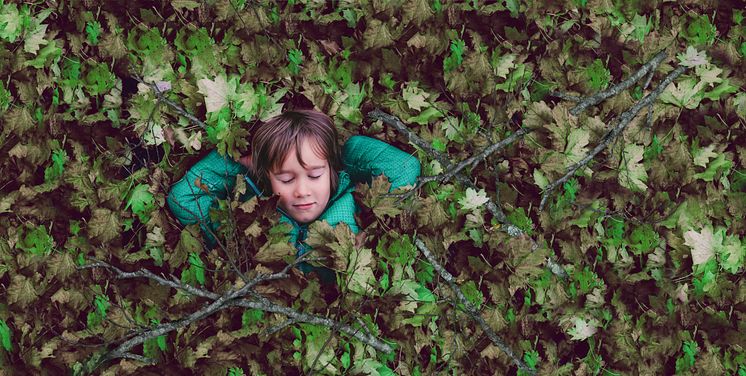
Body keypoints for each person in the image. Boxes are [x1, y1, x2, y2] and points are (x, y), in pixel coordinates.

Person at [167, 109, 421, 281]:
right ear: (267, 177)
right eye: (286, 179)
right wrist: (241, 162)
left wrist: (346, 152)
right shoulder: (247, 220)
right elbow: (183, 198)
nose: (302, 190)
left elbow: (404, 167)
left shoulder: (353, 200)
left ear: (331, 170)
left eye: (314, 175)